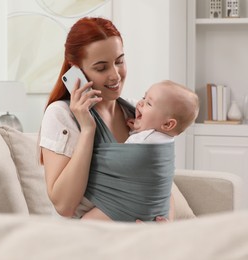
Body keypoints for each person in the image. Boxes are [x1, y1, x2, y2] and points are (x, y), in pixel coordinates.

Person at [39, 17, 174, 222]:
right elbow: (64, 206)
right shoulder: (61, 115)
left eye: (119, 61)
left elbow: (160, 183)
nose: (115, 75)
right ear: (77, 71)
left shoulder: (136, 113)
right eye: (101, 68)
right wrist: (87, 129)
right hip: (84, 242)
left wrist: (165, 224)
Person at [80, 80, 199, 221]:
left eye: (149, 103)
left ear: (167, 124)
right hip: (157, 211)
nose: (140, 103)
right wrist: (138, 129)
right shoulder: (166, 139)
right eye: (144, 97)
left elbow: (125, 158)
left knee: (86, 223)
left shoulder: (144, 141)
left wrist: (136, 133)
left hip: (131, 209)